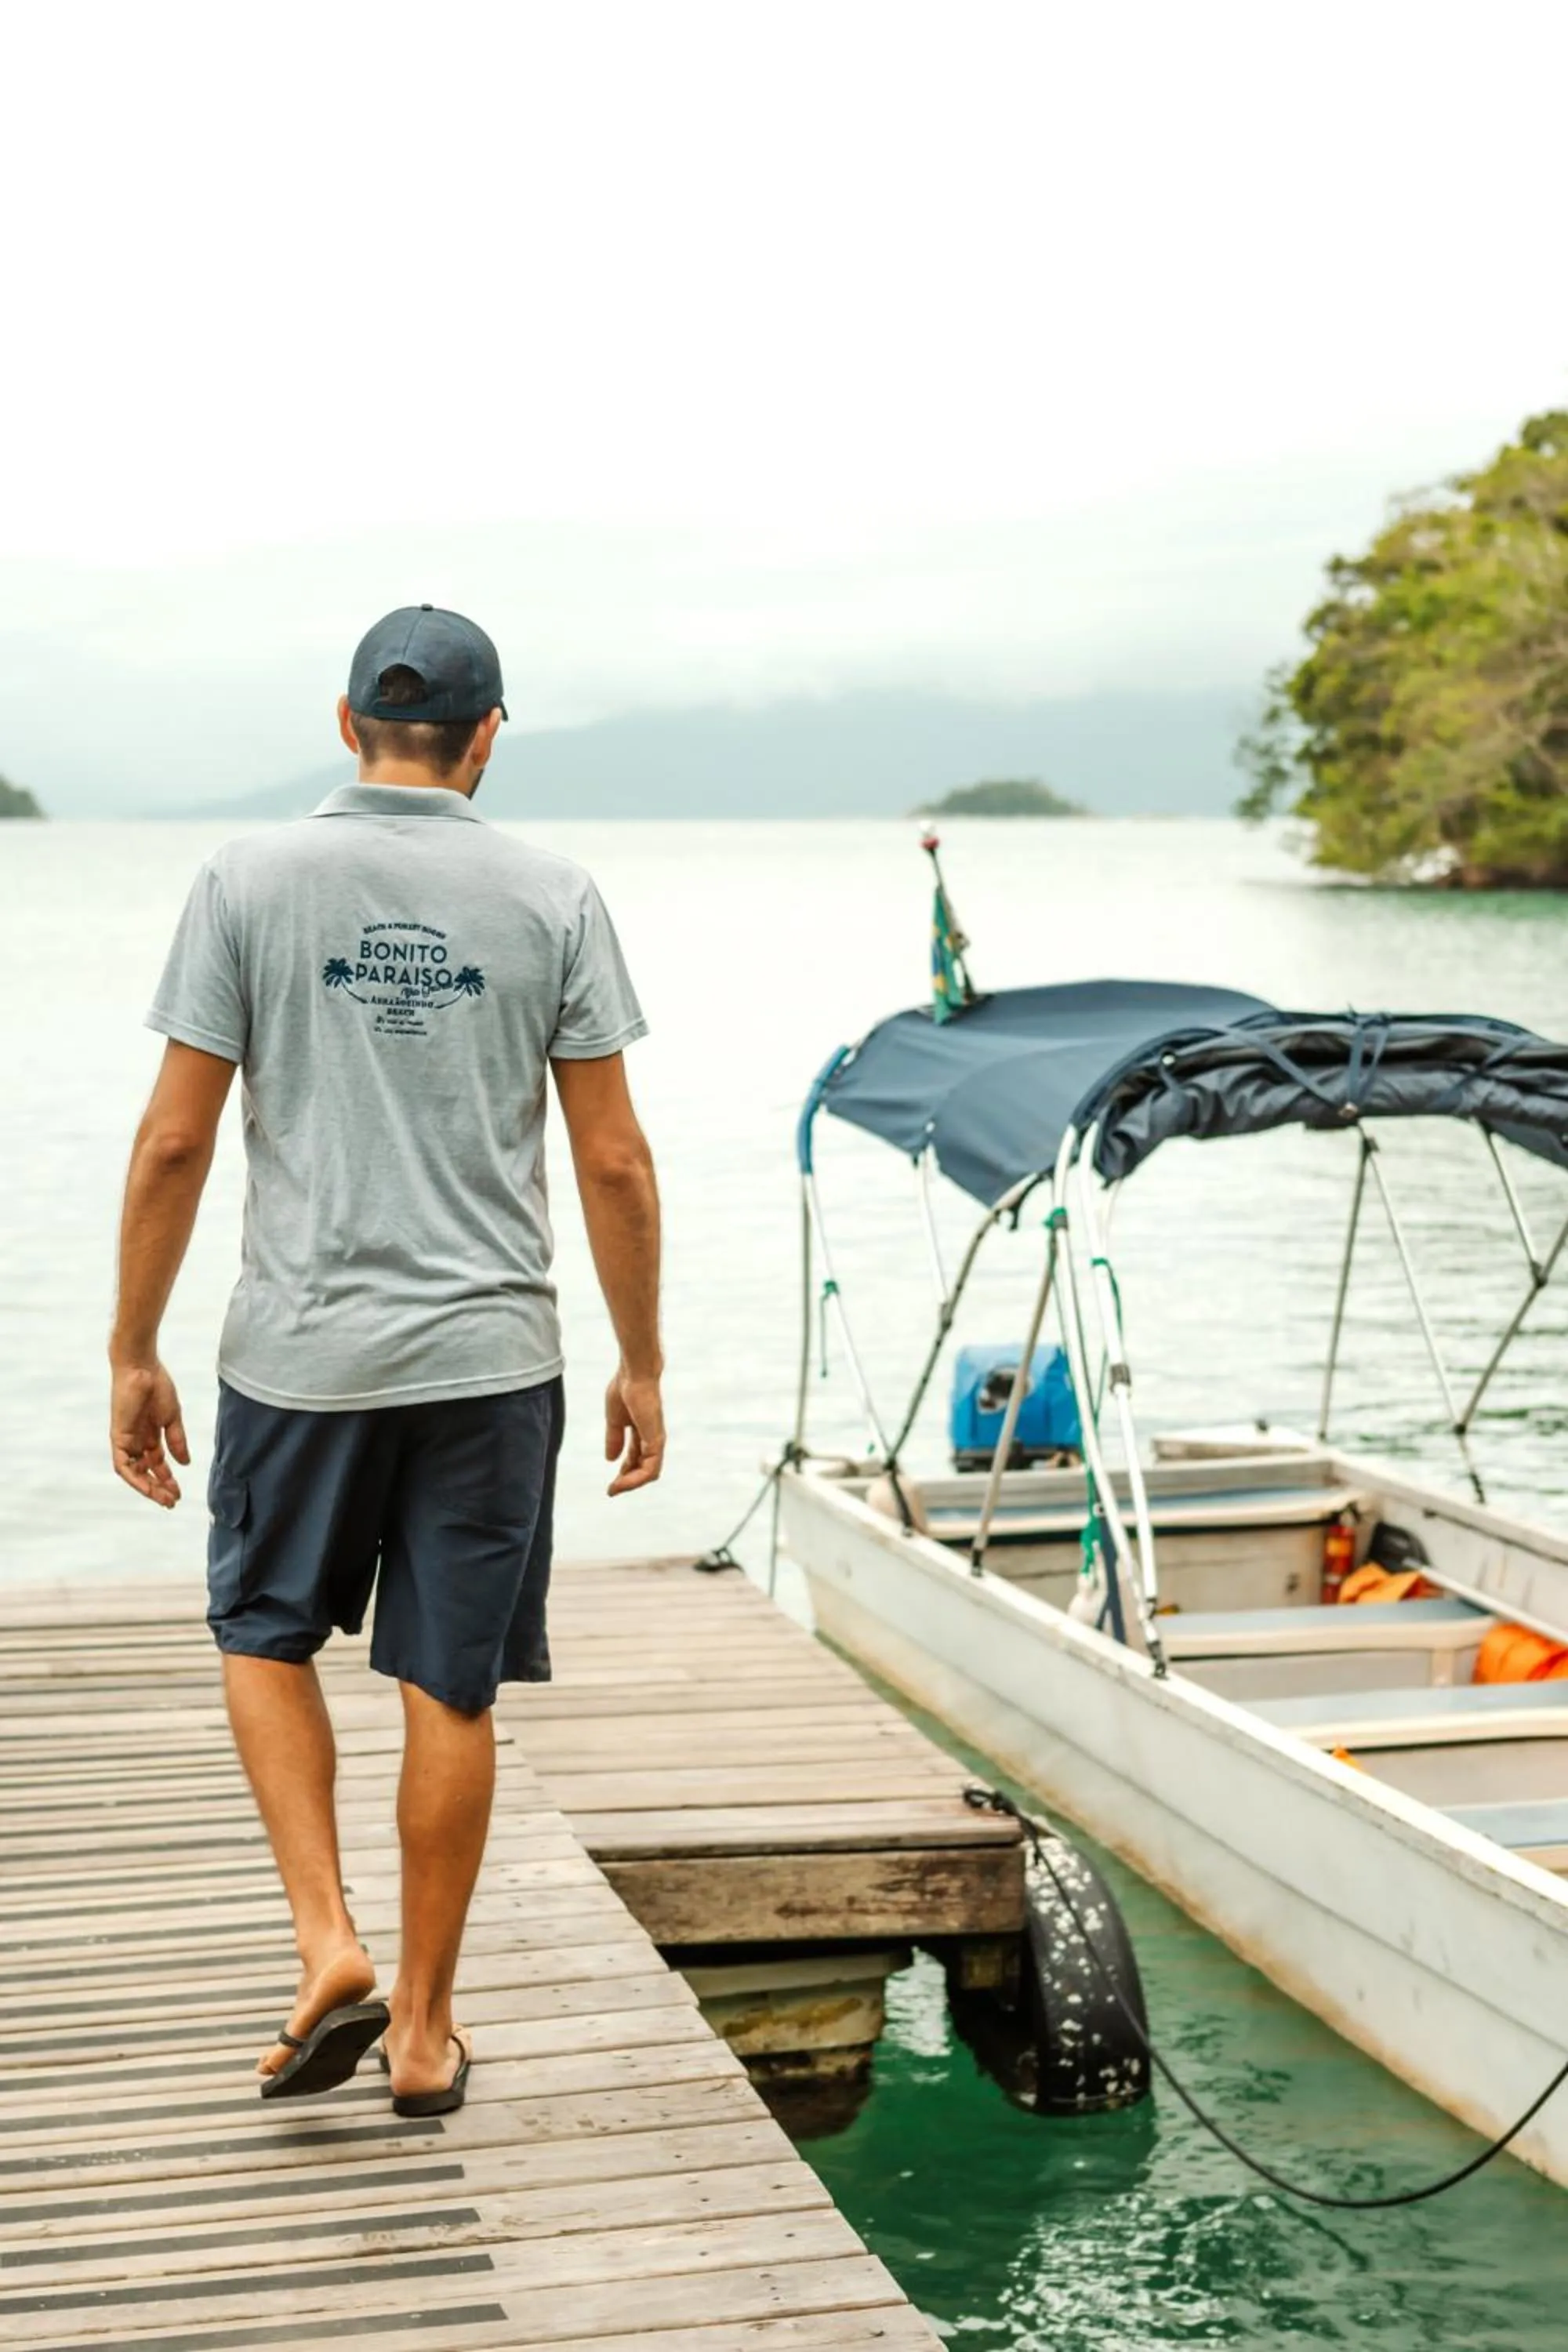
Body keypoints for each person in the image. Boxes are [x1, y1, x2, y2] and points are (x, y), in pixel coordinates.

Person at [108, 605, 663, 2114]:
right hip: (493, 1360)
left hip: (299, 1356)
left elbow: (175, 1137)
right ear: (489, 737)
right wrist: (643, 1360)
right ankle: (422, 2034)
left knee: (264, 1634)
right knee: (451, 1690)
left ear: (346, 722)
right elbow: (611, 1160)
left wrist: (132, 1347)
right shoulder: (553, 895)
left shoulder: (247, 879)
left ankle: (325, 1937)